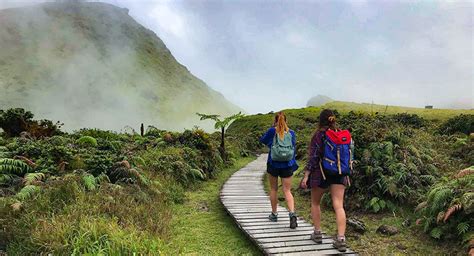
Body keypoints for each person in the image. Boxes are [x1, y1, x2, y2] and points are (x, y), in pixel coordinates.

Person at [300, 109, 353, 252]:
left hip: (321, 173)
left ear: (320, 120)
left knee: (315, 202)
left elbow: (313, 157)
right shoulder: (341, 135)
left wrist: (306, 175)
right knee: (339, 205)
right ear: (333, 119)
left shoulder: (319, 135)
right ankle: (341, 239)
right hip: (340, 174)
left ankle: (317, 233)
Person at [259, 111, 299, 229]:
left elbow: (263, 140)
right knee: (287, 190)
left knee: (273, 189)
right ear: (286, 121)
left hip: (273, 164)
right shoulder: (291, 132)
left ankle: (274, 214)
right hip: (287, 164)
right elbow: (293, 145)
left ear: (275, 121)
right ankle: (292, 214)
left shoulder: (272, 131)